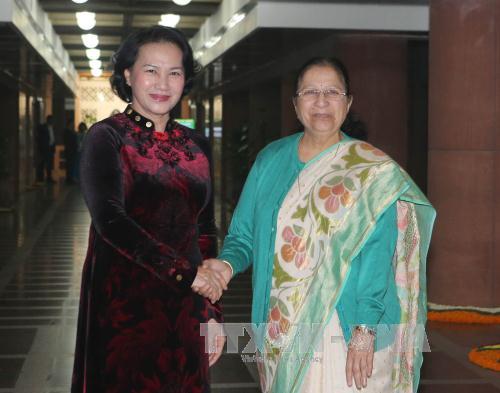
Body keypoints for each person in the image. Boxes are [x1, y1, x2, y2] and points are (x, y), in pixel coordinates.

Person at [199, 57, 436, 392]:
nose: (321, 101)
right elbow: (244, 235)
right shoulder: (270, 160)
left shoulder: (369, 171)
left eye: (332, 92)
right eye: (310, 92)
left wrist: (365, 331)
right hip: (280, 325)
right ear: (296, 104)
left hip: (348, 325)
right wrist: (226, 265)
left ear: (348, 102)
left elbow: (377, 257)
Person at [71, 26, 227, 393]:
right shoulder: (107, 137)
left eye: (174, 72)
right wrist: (184, 273)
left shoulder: (198, 145)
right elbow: (111, 221)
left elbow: (204, 229)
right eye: (151, 70)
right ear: (128, 74)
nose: (163, 82)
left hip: (187, 306)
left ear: (185, 79)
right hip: (124, 308)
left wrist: (213, 314)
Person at [36, 114, 56, 183]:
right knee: (42, 163)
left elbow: (52, 137)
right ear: (48, 120)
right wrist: (42, 147)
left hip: (50, 148)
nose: (53, 121)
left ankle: (49, 178)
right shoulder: (43, 127)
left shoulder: (52, 127)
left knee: (49, 164)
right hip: (44, 148)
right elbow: (40, 138)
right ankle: (40, 178)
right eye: (51, 120)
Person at [63, 118, 78, 184]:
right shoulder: (66, 132)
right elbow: (67, 142)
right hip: (69, 151)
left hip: (73, 151)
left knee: (71, 165)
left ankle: (70, 178)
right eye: (72, 124)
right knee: (69, 165)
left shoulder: (72, 131)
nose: (73, 125)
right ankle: (69, 179)